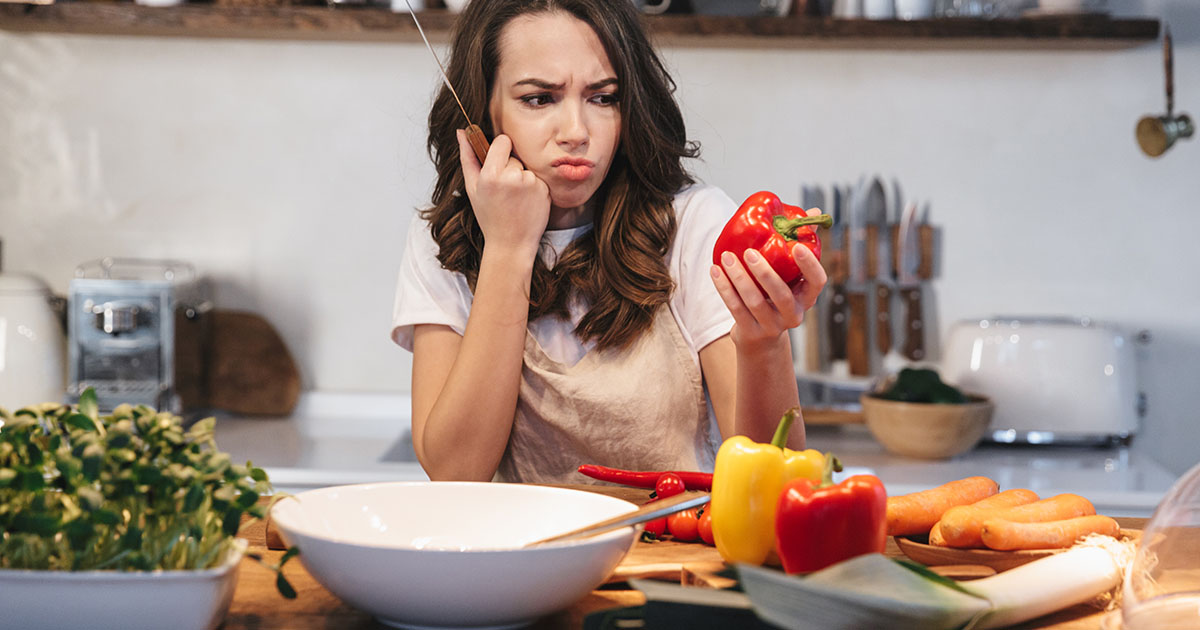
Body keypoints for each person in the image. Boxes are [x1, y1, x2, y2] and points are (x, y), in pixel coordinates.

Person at [391, 0, 827, 483]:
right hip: (525, 556)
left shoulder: (694, 223)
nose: (577, 133)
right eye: (539, 99)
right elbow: (455, 473)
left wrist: (764, 344)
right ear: (482, 113)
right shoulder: (441, 241)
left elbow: (777, 476)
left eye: (603, 98)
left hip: (670, 551)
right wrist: (508, 248)